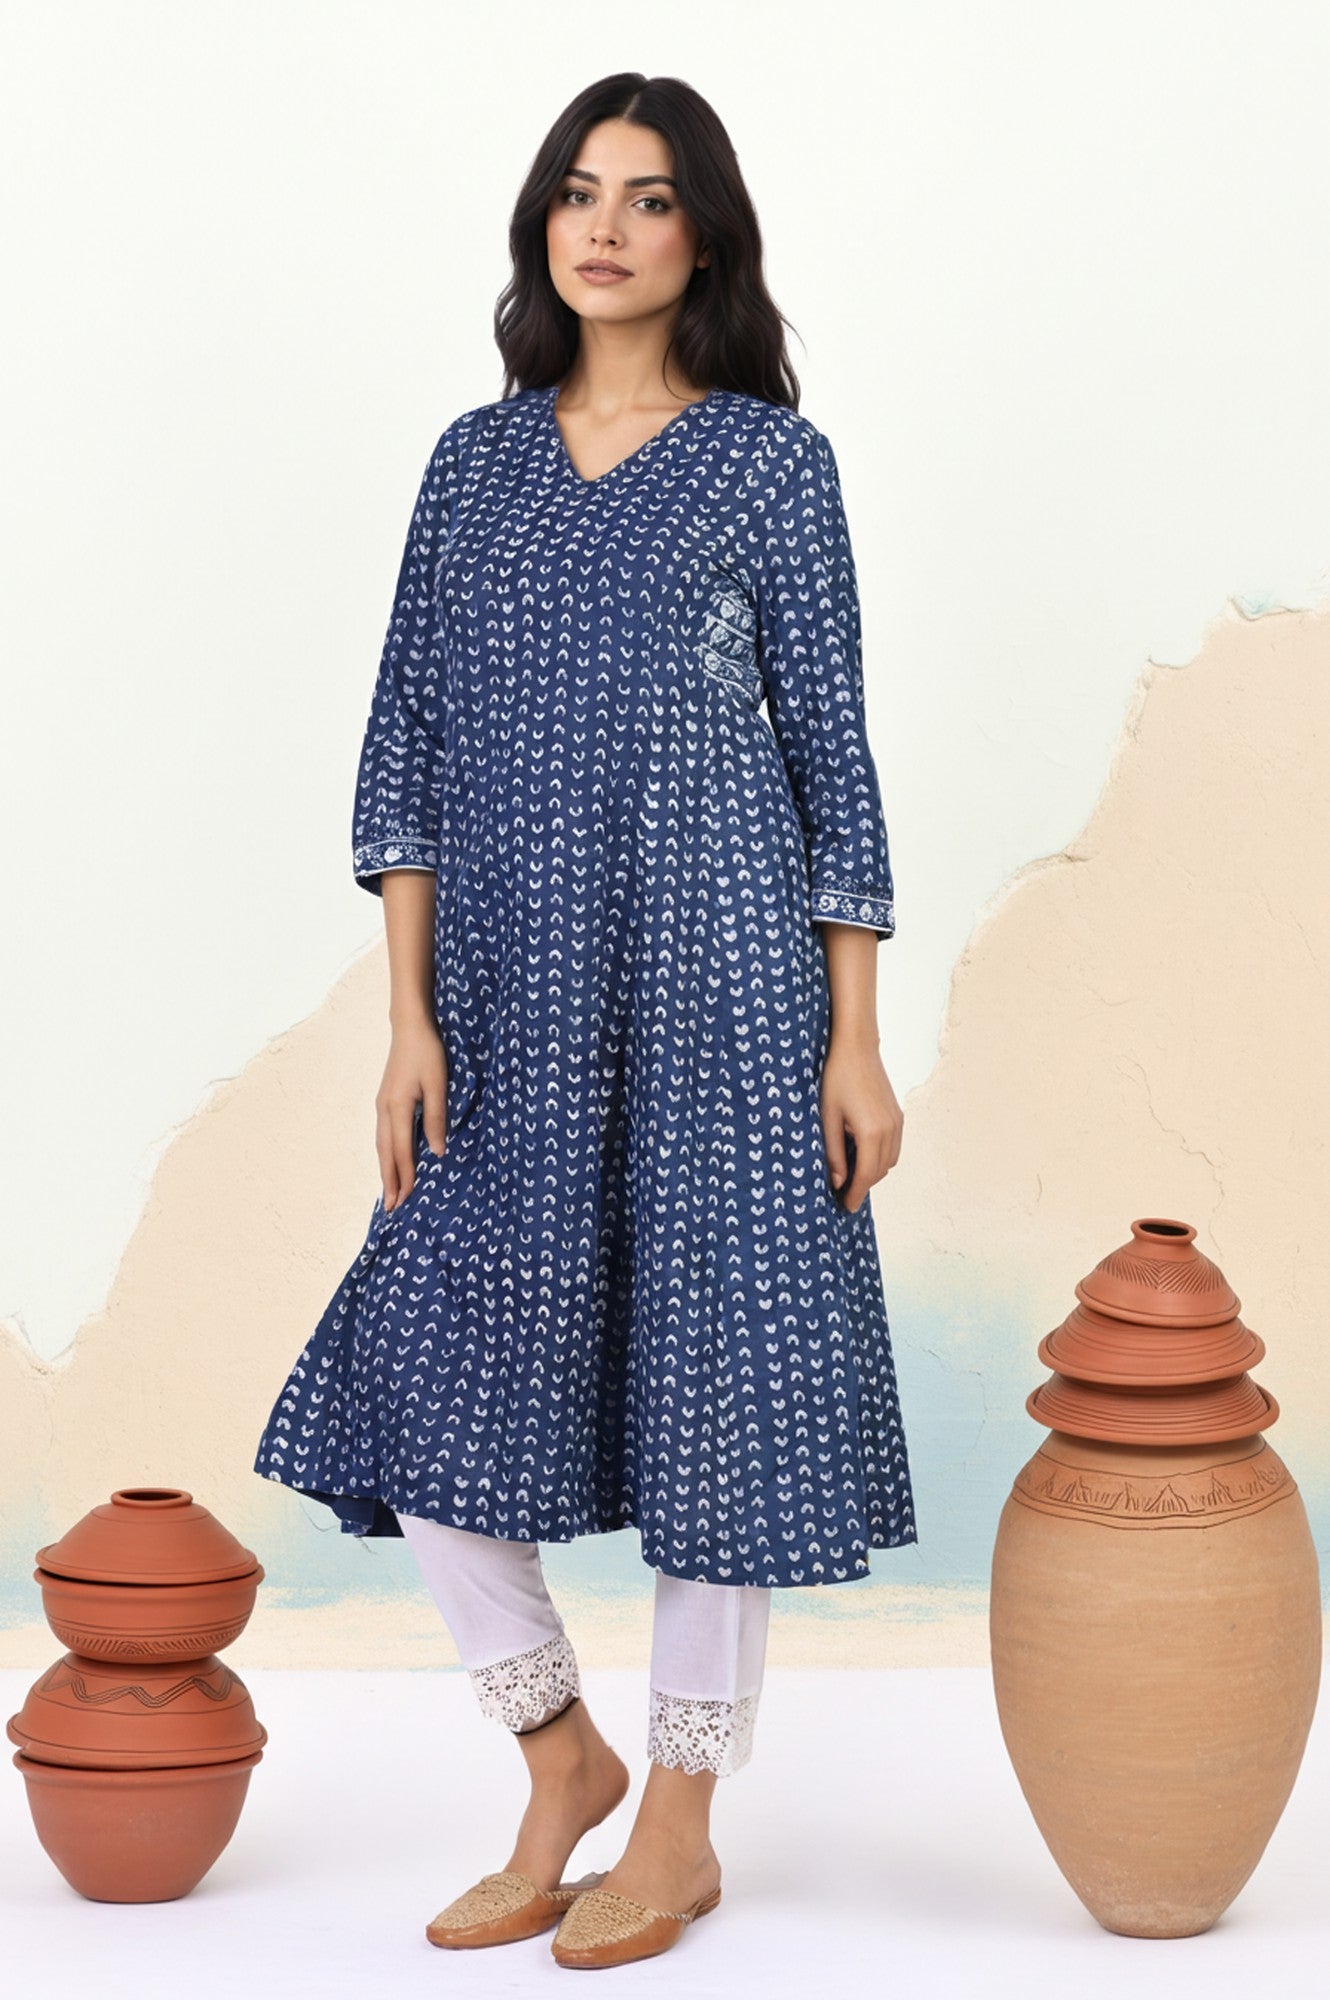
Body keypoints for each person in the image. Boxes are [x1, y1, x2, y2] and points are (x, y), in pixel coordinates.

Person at [253, 69, 917, 1970]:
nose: (604, 225)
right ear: (540, 224)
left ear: (706, 238)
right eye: (575, 190)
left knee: (722, 1376)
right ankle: (562, 1759)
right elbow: (404, 745)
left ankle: (680, 1828)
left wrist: (852, 1037)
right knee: (423, 1359)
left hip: (726, 994)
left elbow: (833, 758)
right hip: (504, 999)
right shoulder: (473, 464)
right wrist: (407, 1021)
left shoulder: (770, 465)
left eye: (647, 196)